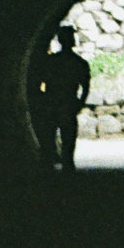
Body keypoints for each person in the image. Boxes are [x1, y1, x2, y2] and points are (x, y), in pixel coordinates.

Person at [29, 27, 93, 172]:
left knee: (49, 137)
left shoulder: (50, 62)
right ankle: (67, 166)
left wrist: (42, 99)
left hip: (51, 103)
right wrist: (80, 103)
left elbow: (37, 83)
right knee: (68, 139)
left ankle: (49, 166)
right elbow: (86, 86)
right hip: (68, 103)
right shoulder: (79, 63)